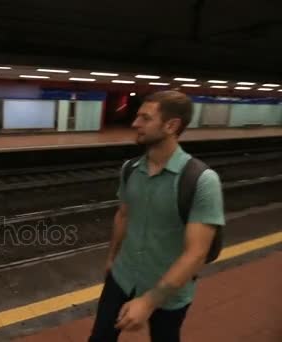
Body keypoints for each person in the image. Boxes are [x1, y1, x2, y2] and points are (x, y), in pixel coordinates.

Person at [88, 90, 225, 342]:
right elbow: (123, 215)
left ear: (171, 125)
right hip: (122, 275)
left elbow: (196, 253)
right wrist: (112, 258)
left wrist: (150, 301)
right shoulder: (130, 169)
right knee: (99, 338)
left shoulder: (201, 181)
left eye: (145, 118)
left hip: (168, 289)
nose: (134, 124)